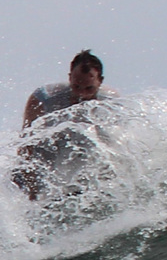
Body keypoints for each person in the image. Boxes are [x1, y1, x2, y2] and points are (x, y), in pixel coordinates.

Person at [14, 50, 119, 199]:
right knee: (21, 178)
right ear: (70, 78)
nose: (82, 94)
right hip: (47, 148)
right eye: (77, 87)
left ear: (100, 81)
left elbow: (115, 142)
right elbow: (26, 142)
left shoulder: (111, 101)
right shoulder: (43, 98)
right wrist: (31, 185)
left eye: (89, 88)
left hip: (80, 151)